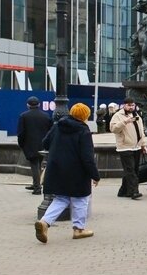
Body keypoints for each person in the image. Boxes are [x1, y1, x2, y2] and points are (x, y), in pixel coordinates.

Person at [34, 103, 100, 243]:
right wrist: (95, 175)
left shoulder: (58, 125)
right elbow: (87, 157)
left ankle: (45, 222)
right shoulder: (84, 131)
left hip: (57, 169)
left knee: (60, 199)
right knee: (81, 199)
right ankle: (78, 229)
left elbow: (45, 143)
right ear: (85, 116)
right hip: (77, 172)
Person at [110, 97, 147, 200]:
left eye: (132, 105)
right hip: (124, 147)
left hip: (136, 147)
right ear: (124, 105)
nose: (131, 107)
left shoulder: (137, 116)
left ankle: (123, 191)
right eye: (129, 105)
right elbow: (113, 129)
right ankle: (134, 191)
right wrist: (125, 122)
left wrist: (143, 145)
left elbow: (141, 132)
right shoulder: (118, 116)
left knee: (133, 170)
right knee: (130, 170)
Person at [17, 96, 52, 195]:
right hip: (42, 144)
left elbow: (21, 133)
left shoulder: (23, 116)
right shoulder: (46, 116)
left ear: (28, 105)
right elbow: (50, 131)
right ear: (39, 104)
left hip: (29, 145)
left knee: (34, 165)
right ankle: (35, 183)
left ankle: (37, 187)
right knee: (38, 164)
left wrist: (21, 144)